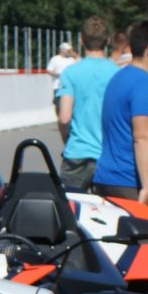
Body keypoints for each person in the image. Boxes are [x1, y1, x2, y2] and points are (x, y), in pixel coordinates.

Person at [93, 19, 148, 249]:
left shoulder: (119, 79)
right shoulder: (146, 87)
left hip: (109, 179)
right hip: (132, 183)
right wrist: (147, 189)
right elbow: (142, 138)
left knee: (122, 253)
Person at [56, 17, 118, 191]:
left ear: (81, 41)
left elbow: (64, 118)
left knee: (70, 212)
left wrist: (68, 141)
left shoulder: (71, 73)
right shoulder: (118, 73)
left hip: (78, 154)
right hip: (109, 155)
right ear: (108, 41)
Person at [46, 41, 77, 116]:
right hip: (58, 86)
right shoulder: (55, 59)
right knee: (58, 105)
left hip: (70, 86)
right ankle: (60, 118)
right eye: (67, 50)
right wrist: (57, 75)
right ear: (62, 50)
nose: (68, 52)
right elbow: (49, 70)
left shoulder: (71, 60)